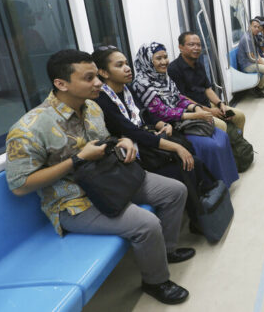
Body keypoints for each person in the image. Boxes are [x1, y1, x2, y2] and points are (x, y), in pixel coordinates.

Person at [5, 50, 192, 305]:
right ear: (61, 84)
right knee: (146, 223)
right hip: (74, 202)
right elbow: (19, 185)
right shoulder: (29, 128)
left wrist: (123, 140)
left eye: (97, 76)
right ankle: (156, 281)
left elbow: (105, 140)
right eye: (89, 78)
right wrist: (77, 159)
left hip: (110, 180)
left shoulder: (92, 107)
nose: (98, 83)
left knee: (175, 191)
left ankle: (166, 250)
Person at [91, 46, 233, 235]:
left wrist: (161, 125)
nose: (127, 68)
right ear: (103, 72)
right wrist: (174, 146)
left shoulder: (127, 90)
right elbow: (131, 131)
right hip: (135, 154)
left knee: (195, 162)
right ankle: (197, 219)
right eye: (120, 65)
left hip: (148, 141)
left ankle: (205, 210)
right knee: (185, 167)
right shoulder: (103, 100)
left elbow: (146, 115)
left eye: (126, 63)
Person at [131, 42, 239, 187]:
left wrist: (195, 108)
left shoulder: (164, 77)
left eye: (165, 57)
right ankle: (212, 182)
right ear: (148, 61)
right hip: (169, 126)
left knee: (222, 136)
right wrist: (193, 116)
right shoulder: (141, 84)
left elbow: (178, 98)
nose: (164, 62)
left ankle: (226, 179)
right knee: (210, 145)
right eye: (158, 58)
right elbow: (161, 111)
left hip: (181, 119)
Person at [168, 32, 246, 132]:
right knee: (222, 125)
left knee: (240, 116)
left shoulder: (199, 64)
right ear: (181, 47)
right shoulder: (174, 69)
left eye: (199, 45)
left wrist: (220, 104)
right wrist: (209, 111)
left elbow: (207, 89)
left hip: (206, 104)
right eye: (191, 44)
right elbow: (181, 98)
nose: (196, 48)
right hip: (192, 110)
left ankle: (237, 145)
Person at [237, 19, 264, 98]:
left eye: (258, 27)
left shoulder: (253, 36)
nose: (257, 29)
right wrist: (262, 62)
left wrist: (262, 60)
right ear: (249, 27)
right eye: (254, 26)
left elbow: (256, 52)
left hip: (253, 61)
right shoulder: (247, 39)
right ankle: (257, 88)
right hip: (247, 65)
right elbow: (251, 57)